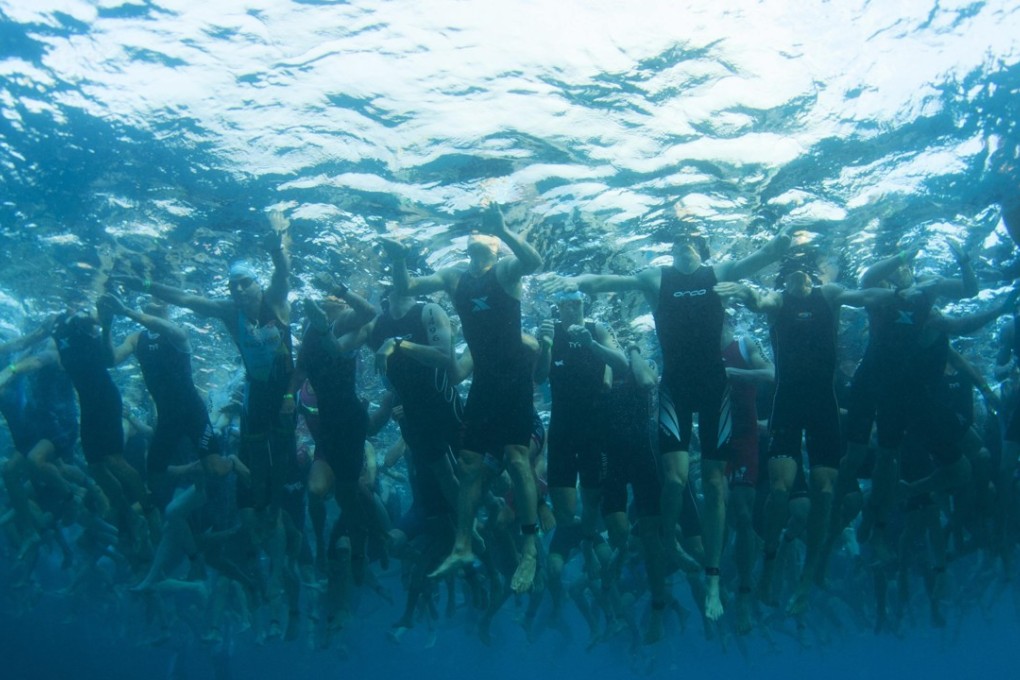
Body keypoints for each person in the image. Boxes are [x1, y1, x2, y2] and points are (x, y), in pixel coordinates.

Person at [543, 218, 792, 619]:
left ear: (702, 246)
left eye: (694, 239)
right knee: (674, 480)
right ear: (671, 247)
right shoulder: (655, 278)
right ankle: (673, 543)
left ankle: (712, 577)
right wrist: (574, 281)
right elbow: (607, 281)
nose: (686, 245)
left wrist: (782, 242)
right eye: (679, 239)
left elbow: (759, 259)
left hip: (715, 390)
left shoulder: (719, 273)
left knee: (713, 485)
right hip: (676, 387)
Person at [381, 202, 544, 593]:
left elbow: (534, 261)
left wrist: (504, 228)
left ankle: (530, 546)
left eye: (486, 235)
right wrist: (400, 259)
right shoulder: (454, 278)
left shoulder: (505, 272)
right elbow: (406, 289)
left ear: (493, 245)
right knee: (469, 465)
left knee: (518, 460)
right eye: (476, 234)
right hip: (485, 383)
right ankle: (463, 544)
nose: (477, 236)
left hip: (513, 382)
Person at [716, 261, 894, 616]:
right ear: (786, 279)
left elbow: (864, 294)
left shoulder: (830, 294)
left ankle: (806, 579)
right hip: (787, 405)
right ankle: (768, 566)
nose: (802, 277)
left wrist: (900, 294)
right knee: (781, 490)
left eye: (806, 271)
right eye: (794, 273)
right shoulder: (779, 301)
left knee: (826, 492)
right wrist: (746, 291)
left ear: (814, 275)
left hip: (823, 407)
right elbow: (759, 302)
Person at [533, 290, 626, 618]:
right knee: (564, 511)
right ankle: (586, 540)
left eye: (578, 302)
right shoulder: (550, 331)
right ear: (558, 306)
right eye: (566, 303)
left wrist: (592, 344)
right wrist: (544, 343)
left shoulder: (599, 330)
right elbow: (538, 377)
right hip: (562, 430)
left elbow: (623, 364)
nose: (572, 307)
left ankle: (588, 540)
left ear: (586, 305)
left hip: (595, 431)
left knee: (592, 502)